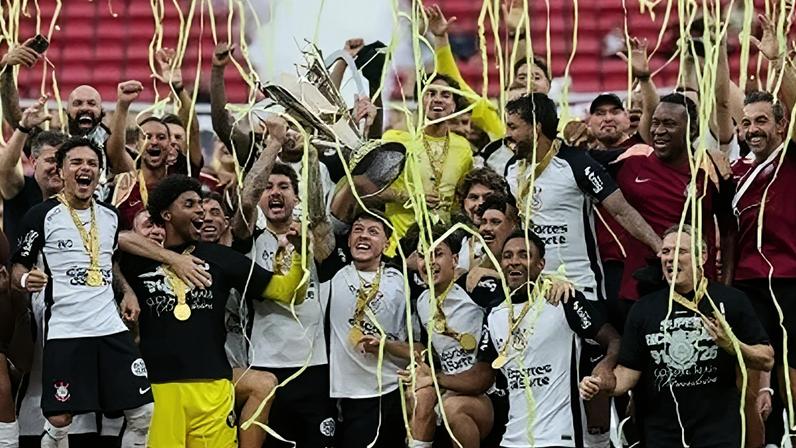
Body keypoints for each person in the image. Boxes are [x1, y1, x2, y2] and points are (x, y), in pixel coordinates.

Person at [119, 174, 305, 448]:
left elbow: (286, 291)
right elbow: (117, 239)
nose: (200, 211)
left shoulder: (220, 257)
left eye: (202, 205)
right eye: (190, 204)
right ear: (166, 214)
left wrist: (300, 251)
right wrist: (133, 285)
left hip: (213, 387)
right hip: (161, 388)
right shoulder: (139, 260)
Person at [405, 229, 619, 447]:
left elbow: (613, 340)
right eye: (507, 256)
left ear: (541, 264)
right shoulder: (496, 314)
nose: (514, 261)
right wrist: (434, 379)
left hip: (559, 438)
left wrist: (606, 366)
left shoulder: (563, 299)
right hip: (513, 439)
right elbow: (483, 374)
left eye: (524, 255)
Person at [10, 137, 153, 448]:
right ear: (61, 171)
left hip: (110, 328)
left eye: (91, 164)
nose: (84, 168)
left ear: (99, 173)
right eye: (76, 162)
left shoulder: (110, 216)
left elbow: (108, 261)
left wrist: (126, 290)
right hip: (66, 329)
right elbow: (17, 269)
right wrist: (25, 282)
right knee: (60, 420)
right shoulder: (41, 215)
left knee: (143, 412)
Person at [580, 224, 774, 448]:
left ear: (702, 256)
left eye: (680, 251)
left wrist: (733, 345)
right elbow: (626, 374)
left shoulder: (731, 301)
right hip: (662, 435)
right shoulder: (643, 310)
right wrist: (600, 384)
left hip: (718, 433)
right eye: (665, 252)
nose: (670, 258)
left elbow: (766, 358)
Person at [229, 118, 335, 448]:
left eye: (284, 187)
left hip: (315, 369)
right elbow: (246, 199)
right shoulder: (250, 240)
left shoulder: (313, 239)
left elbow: (319, 217)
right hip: (265, 367)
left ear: (295, 197)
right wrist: (273, 144)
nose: (275, 193)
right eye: (269, 188)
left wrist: (313, 154)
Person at [504, 93, 661, 302]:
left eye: (513, 127)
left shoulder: (577, 163)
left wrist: (660, 248)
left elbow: (621, 211)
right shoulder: (512, 169)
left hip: (579, 285)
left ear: (536, 128)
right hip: (535, 287)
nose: (507, 135)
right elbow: (510, 223)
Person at [614, 93, 736, 305]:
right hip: (639, 293)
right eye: (655, 123)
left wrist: (725, 285)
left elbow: (728, 232)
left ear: (693, 130)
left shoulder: (712, 171)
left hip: (697, 293)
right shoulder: (631, 162)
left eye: (669, 124)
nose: (659, 131)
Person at [317, 212, 412, 448]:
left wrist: (387, 346)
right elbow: (319, 225)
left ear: (387, 243)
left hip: (392, 390)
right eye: (358, 230)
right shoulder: (332, 274)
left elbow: (417, 344)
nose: (364, 236)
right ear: (348, 240)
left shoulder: (402, 281)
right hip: (349, 395)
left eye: (373, 232)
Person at [731, 90, 796, 434]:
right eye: (746, 123)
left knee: (793, 373)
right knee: (755, 374)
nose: (753, 129)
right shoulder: (735, 171)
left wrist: (775, 61)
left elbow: (794, 98)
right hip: (748, 285)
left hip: (791, 280)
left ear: (781, 125)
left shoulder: (791, 158)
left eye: (761, 121)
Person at [409, 229, 498, 448]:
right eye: (422, 255)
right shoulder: (421, 302)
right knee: (416, 394)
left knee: (453, 408)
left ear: (455, 260)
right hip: (449, 388)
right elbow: (423, 349)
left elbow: (519, 290)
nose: (429, 262)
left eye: (437, 253)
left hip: (487, 392)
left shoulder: (473, 288)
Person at [380, 73, 474, 247]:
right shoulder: (395, 140)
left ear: (454, 106)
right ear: (419, 102)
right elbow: (370, 191)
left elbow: (461, 199)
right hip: (398, 247)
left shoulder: (463, 148)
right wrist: (409, 197)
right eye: (430, 93)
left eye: (445, 95)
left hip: (441, 249)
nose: (438, 99)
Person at [0, 98, 67, 246]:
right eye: (50, 160)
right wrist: (23, 128)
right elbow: (5, 170)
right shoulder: (20, 191)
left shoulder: (77, 197)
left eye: (62, 161)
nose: (56, 167)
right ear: (34, 162)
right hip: (21, 269)